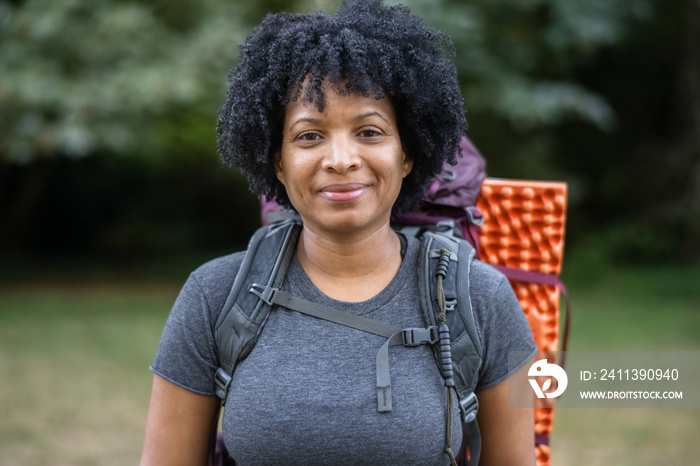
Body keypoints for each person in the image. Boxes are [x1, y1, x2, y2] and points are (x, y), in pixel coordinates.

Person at [140, 1, 537, 465]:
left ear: (407, 155)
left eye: (369, 132)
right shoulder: (214, 296)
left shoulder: (481, 299)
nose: (341, 159)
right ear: (278, 162)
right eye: (310, 136)